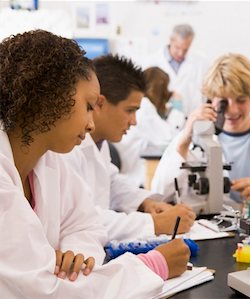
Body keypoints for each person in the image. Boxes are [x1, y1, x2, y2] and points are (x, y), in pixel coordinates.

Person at [0, 30, 189, 298]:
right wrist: (152, 266)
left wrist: (78, 258)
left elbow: (84, 224)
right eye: (89, 106)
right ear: (49, 100)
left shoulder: (49, 160)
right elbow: (44, 291)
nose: (91, 122)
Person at [63, 54, 195, 243]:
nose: (134, 121)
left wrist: (146, 203)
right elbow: (80, 219)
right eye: (130, 110)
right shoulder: (67, 149)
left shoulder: (98, 143)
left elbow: (111, 182)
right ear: (100, 103)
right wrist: (154, 224)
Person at [151, 53, 250, 208]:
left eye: (241, 100)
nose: (232, 110)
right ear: (210, 99)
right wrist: (185, 138)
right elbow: (159, 196)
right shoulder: (192, 140)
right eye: (223, 101)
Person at [115, 66, 186, 187]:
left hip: (128, 169)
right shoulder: (144, 106)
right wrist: (177, 111)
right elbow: (169, 138)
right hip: (130, 175)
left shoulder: (144, 105)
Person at [144, 24, 209, 115]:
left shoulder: (200, 62)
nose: (180, 53)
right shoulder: (151, 61)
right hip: (161, 119)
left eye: (185, 49)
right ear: (171, 40)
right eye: (177, 48)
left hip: (192, 119)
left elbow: (204, 93)